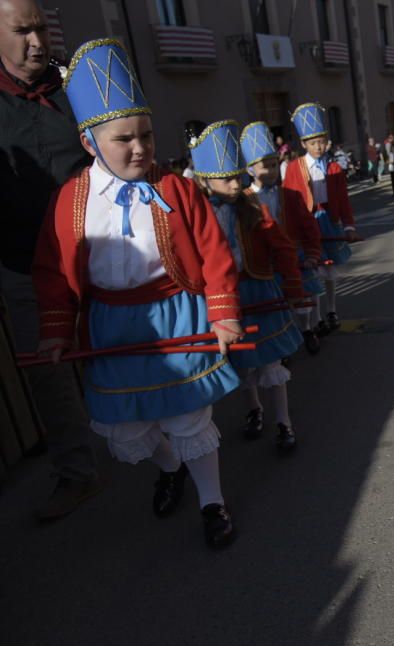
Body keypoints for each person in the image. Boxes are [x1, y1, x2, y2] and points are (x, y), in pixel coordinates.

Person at [35, 39, 241, 547]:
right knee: (122, 428)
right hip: (110, 325)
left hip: (176, 312)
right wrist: (56, 331)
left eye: (146, 135)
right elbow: (52, 271)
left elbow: (214, 253)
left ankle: (212, 502)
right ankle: (169, 467)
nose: (141, 148)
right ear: (90, 143)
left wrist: (223, 314)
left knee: (188, 417)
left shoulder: (176, 189)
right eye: (124, 138)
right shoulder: (68, 202)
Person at [0, 0, 102, 519]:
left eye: (41, 27)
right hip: (22, 266)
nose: (37, 41)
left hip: (100, 256)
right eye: (23, 30)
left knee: (118, 346)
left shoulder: (80, 87)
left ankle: (161, 445)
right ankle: (76, 473)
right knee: (49, 372)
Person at [194, 120, 305, 450]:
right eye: (225, 178)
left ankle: (284, 421)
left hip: (259, 289)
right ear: (204, 179)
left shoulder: (254, 207)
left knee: (271, 361)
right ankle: (254, 410)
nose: (234, 184)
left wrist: (293, 287)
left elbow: (282, 247)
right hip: (226, 298)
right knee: (242, 363)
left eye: (237, 176)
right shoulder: (198, 215)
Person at [241, 121, 323, 356]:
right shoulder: (244, 201)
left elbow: (309, 227)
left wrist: (311, 254)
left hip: (294, 256)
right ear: (250, 170)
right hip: (265, 264)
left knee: (301, 299)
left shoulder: (290, 195)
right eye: (265, 166)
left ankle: (307, 330)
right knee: (275, 307)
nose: (272, 170)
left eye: (274, 165)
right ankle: (282, 346)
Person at [282, 102, 359, 333]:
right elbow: (288, 199)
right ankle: (315, 319)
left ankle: (332, 309)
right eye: (314, 143)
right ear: (304, 143)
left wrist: (348, 226)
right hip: (307, 224)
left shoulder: (334, 167)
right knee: (312, 271)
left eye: (322, 142)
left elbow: (344, 200)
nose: (319, 146)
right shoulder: (295, 167)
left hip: (329, 221)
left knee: (329, 271)